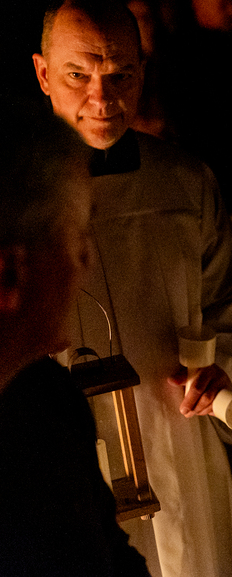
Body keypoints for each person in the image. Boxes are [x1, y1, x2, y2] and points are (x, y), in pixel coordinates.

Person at [31, 0, 232, 577]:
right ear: (42, 74)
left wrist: (221, 365)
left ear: (143, 72)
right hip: (60, 446)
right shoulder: (18, 190)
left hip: (176, 431)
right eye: (78, 75)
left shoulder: (183, 181)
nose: (102, 98)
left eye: (120, 74)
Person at [0, 103, 149, 575]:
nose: (87, 261)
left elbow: (110, 554)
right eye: (77, 234)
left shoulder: (47, 395)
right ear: (9, 273)